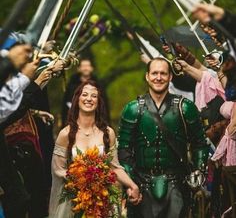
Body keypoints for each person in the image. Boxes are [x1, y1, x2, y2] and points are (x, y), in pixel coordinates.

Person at [118, 58, 209, 218]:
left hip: (177, 184)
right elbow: (123, 150)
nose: (158, 77)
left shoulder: (186, 107)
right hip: (142, 184)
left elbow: (200, 144)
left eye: (163, 73)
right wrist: (131, 184)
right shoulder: (132, 109)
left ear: (170, 77)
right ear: (147, 76)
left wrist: (198, 172)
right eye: (154, 73)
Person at [49, 80, 141, 218]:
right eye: (85, 94)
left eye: (94, 96)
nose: (89, 99)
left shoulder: (108, 133)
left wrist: (132, 185)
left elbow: (115, 167)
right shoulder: (65, 134)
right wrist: (82, 179)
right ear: (77, 99)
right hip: (74, 201)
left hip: (101, 202)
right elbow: (58, 171)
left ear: (98, 102)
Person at [61, 57, 109, 126]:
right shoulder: (72, 84)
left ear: (92, 68)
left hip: (94, 119)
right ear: (79, 69)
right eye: (83, 66)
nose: (86, 68)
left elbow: (104, 104)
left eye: (87, 66)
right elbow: (65, 103)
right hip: (74, 119)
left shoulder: (98, 83)